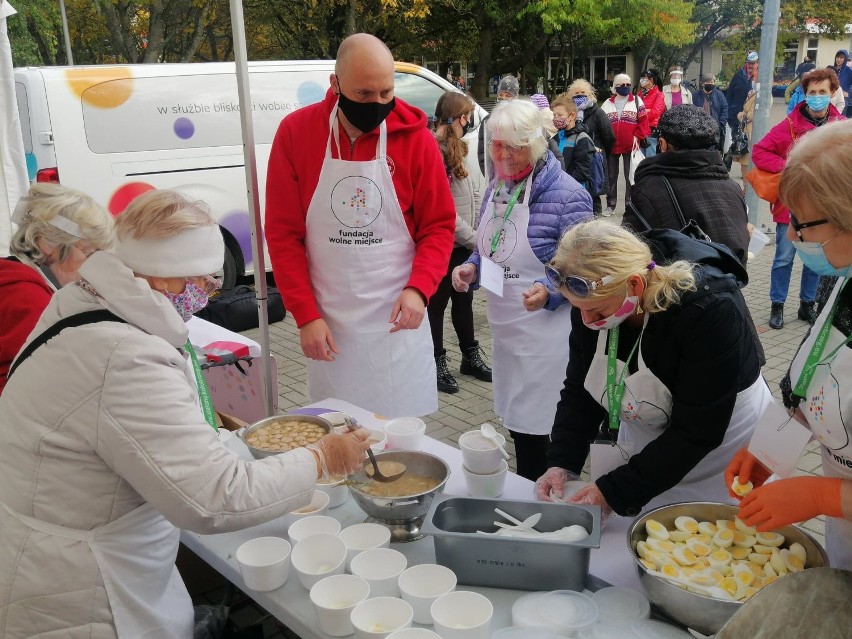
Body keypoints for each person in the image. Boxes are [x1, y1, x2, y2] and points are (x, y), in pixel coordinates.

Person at [0, 189, 371, 638]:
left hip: (74, 540)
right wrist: (323, 459)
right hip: (84, 591)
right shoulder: (123, 356)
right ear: (161, 278)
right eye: (204, 281)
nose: (208, 294)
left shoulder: (86, 301)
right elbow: (214, 498)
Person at [265, 33, 455, 418]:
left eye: (386, 92)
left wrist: (420, 290)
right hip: (328, 324)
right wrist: (305, 315)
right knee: (338, 440)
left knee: (401, 448)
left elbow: (438, 226)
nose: (378, 104)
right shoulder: (296, 133)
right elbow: (284, 234)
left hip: (396, 322)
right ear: (335, 85)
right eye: (365, 94)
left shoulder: (417, 140)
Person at [534, 220, 769, 517]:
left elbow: (698, 431)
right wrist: (562, 461)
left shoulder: (707, 311)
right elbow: (580, 391)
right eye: (577, 308)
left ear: (635, 284)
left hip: (723, 447)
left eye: (597, 311)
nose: (587, 322)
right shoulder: (591, 300)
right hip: (652, 441)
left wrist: (616, 490)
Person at [725, 119, 852, 569]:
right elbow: (821, 376)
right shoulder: (844, 282)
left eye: (803, 222)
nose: (793, 236)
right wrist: (770, 450)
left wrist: (822, 493)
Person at [451, 99, 593, 481]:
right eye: (497, 145)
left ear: (536, 145)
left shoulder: (569, 195)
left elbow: (587, 271)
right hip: (508, 333)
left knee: (547, 430)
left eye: (514, 147)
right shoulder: (498, 186)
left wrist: (551, 291)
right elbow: (490, 245)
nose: (504, 155)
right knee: (518, 423)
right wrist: (471, 267)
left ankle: (550, 501)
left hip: (549, 339)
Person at [752, 67, 845, 330]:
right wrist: (791, 166)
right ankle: (777, 305)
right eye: (812, 92)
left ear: (832, 93)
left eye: (823, 92)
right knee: (784, 258)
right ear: (805, 94)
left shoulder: (840, 127)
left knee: (817, 259)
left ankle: (808, 305)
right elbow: (760, 152)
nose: (817, 97)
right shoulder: (790, 125)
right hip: (791, 206)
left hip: (826, 207)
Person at [0, 183, 114, 395]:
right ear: (45, 243)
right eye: (88, 253)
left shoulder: (14, 276)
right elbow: (30, 386)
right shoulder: (28, 298)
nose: (93, 266)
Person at [624, 105, 749, 264]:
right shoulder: (733, 188)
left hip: (673, 284)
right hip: (730, 285)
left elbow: (627, 248)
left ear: (662, 144)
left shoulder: (648, 188)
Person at [427, 91, 490, 394]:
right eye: (465, 116)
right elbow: (443, 211)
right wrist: (475, 237)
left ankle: (469, 355)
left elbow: (475, 191)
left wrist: (477, 233)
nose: (468, 122)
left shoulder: (460, 149)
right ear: (456, 117)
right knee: (436, 304)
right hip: (441, 244)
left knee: (463, 300)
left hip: (464, 244)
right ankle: (435, 362)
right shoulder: (432, 151)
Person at [600, 73, 650, 216]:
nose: (626, 87)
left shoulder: (636, 100)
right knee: (611, 176)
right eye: (622, 85)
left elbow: (643, 122)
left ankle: (629, 205)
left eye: (628, 84)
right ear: (615, 87)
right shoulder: (607, 103)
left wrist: (637, 137)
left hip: (631, 146)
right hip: (612, 146)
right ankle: (611, 205)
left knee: (631, 175)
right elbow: (602, 125)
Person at [566, 79, 616, 216]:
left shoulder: (598, 113)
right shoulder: (570, 114)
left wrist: (600, 151)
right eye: (576, 93)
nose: (580, 95)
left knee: (593, 195)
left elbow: (609, 137)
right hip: (575, 161)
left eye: (583, 92)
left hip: (593, 161)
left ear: (590, 94)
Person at [550, 94, 597, 195]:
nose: (556, 118)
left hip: (575, 191)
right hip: (556, 190)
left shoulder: (582, 139)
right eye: (554, 115)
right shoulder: (555, 138)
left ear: (572, 116)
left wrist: (564, 184)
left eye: (560, 115)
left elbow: (582, 172)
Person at [479, 75, 520, 175]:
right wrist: (490, 175)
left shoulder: (521, 119)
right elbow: (482, 153)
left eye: (508, 95)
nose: (503, 98)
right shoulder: (488, 120)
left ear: (515, 97)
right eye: (500, 95)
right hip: (496, 174)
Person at [692, 73, 728, 152]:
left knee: (713, 149)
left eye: (712, 82)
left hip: (714, 127)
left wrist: (721, 123)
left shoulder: (719, 95)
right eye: (707, 82)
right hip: (700, 127)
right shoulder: (695, 95)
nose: (710, 84)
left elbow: (725, 108)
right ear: (703, 84)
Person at [726, 51, 758, 139]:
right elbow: (729, 94)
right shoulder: (738, 76)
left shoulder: (758, 79)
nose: (750, 66)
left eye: (752, 63)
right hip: (734, 114)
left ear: (757, 64)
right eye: (748, 63)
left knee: (747, 141)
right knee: (733, 140)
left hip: (749, 117)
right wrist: (728, 111)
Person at [637, 69, 665, 157]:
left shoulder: (659, 94)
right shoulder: (640, 94)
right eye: (641, 78)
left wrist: (641, 115)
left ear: (651, 80)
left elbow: (655, 113)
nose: (642, 80)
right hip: (639, 130)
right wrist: (646, 110)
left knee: (650, 156)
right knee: (640, 158)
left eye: (644, 78)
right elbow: (634, 110)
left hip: (651, 130)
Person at [829, 50, 852, 117]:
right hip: (830, 99)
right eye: (837, 57)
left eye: (841, 58)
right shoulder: (831, 70)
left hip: (842, 102)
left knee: (839, 122)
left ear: (845, 59)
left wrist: (849, 94)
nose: (839, 59)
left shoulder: (849, 72)